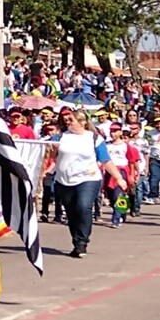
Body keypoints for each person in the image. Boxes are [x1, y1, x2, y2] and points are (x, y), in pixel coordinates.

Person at [50, 109, 127, 258]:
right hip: (64, 180)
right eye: (66, 119)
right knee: (71, 212)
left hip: (88, 179)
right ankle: (76, 241)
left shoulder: (94, 138)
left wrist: (118, 178)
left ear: (82, 122)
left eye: (71, 119)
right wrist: (53, 151)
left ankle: (82, 242)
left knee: (83, 206)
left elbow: (105, 160)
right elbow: (51, 156)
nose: (67, 121)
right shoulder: (60, 137)